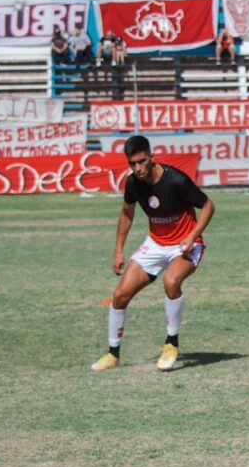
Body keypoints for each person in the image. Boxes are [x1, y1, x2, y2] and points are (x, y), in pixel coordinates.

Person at [91, 135, 215, 373]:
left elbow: (209, 205)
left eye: (142, 161)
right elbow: (127, 214)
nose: (138, 168)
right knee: (119, 295)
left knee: (171, 282)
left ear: (151, 157)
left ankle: (171, 344)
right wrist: (118, 250)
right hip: (156, 243)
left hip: (186, 244)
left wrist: (192, 235)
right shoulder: (132, 183)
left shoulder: (176, 180)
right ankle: (113, 354)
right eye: (133, 163)